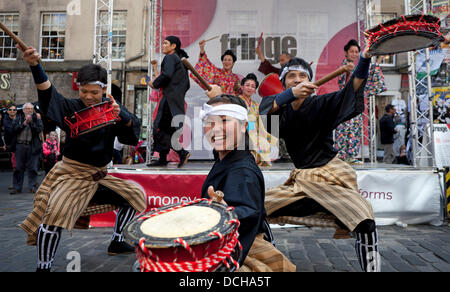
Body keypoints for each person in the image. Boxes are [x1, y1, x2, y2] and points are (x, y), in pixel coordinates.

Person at [18, 45, 146, 272]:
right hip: (71, 175)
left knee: (135, 194)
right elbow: (48, 94)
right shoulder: (71, 107)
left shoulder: (112, 110)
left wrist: (122, 114)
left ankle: (117, 241)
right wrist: (35, 65)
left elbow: (131, 133)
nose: (88, 96)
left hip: (99, 176)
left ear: (105, 90)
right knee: (54, 215)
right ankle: (43, 266)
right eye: (84, 91)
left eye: (94, 93)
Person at [259, 46, 380, 272]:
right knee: (255, 210)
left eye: (303, 76)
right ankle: (271, 260)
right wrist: (290, 96)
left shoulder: (322, 104)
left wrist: (364, 59)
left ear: (311, 84)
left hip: (332, 178)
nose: (297, 80)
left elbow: (353, 88)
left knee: (365, 220)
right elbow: (266, 110)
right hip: (302, 183)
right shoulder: (279, 115)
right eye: (291, 76)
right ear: (284, 83)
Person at [200, 93, 295, 272]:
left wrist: (224, 212)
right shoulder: (228, 153)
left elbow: (246, 213)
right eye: (210, 122)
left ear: (244, 126)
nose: (216, 129)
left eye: (224, 120)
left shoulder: (242, 172)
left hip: (243, 244)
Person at [333, 39, 386, 163]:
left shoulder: (356, 67)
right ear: (346, 52)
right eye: (351, 51)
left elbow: (365, 74)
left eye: (356, 52)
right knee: (344, 128)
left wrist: (377, 61)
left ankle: (350, 157)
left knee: (354, 128)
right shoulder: (345, 65)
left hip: (354, 101)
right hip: (345, 102)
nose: (354, 54)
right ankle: (341, 156)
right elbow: (351, 80)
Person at [148, 36, 191, 167]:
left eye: (166, 43)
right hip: (174, 101)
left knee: (161, 129)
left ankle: (182, 153)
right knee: (167, 130)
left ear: (173, 46)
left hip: (169, 101)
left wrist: (154, 83)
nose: (163, 45)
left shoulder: (170, 57)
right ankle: (163, 158)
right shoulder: (178, 61)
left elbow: (166, 75)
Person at [10, 103, 43, 194]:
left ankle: (32, 186)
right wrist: (24, 124)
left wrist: (31, 122)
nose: (29, 110)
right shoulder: (18, 118)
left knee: (33, 168)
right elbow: (13, 130)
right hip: (20, 146)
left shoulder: (37, 119)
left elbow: (38, 130)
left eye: (31, 108)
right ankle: (17, 187)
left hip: (32, 146)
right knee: (18, 168)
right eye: (27, 108)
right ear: (23, 110)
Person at [3, 103, 18, 189]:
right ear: (7, 111)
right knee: (15, 165)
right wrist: (19, 128)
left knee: (29, 164)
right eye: (10, 110)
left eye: (14, 110)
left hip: (21, 143)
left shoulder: (20, 118)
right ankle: (14, 183)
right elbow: (10, 130)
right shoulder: (6, 120)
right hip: (13, 145)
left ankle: (34, 183)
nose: (12, 111)